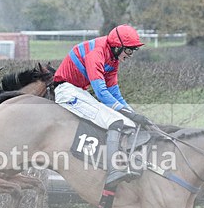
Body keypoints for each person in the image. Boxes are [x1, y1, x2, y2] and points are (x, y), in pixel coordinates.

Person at [52, 24, 149, 187]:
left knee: (128, 122)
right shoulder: (96, 53)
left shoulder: (112, 59)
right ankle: (113, 171)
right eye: (130, 50)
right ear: (118, 47)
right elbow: (102, 93)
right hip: (67, 92)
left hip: (79, 91)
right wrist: (128, 113)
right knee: (115, 121)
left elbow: (115, 94)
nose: (131, 55)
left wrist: (132, 113)